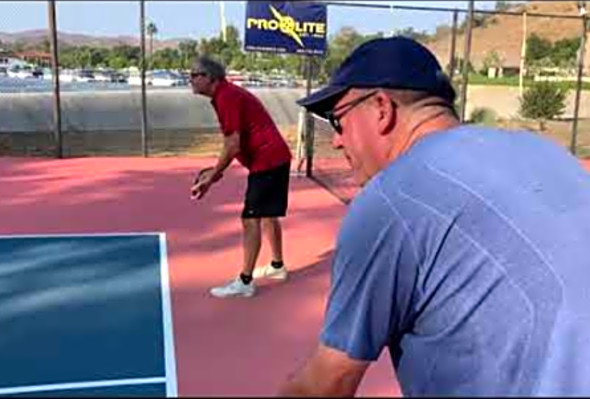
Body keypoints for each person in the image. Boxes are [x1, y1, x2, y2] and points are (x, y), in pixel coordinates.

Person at [279, 36, 590, 396]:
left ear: (382, 108)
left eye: (338, 120)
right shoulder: (546, 152)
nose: (336, 140)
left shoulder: (390, 199)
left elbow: (327, 383)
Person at [190, 55, 292, 298]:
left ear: (210, 78)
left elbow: (233, 144)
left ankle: (245, 281)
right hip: (272, 158)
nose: (190, 79)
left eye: (195, 75)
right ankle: (277, 266)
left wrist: (214, 175)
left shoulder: (226, 97)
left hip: (267, 161)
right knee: (267, 215)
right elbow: (232, 143)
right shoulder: (224, 95)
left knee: (251, 219)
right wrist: (214, 171)